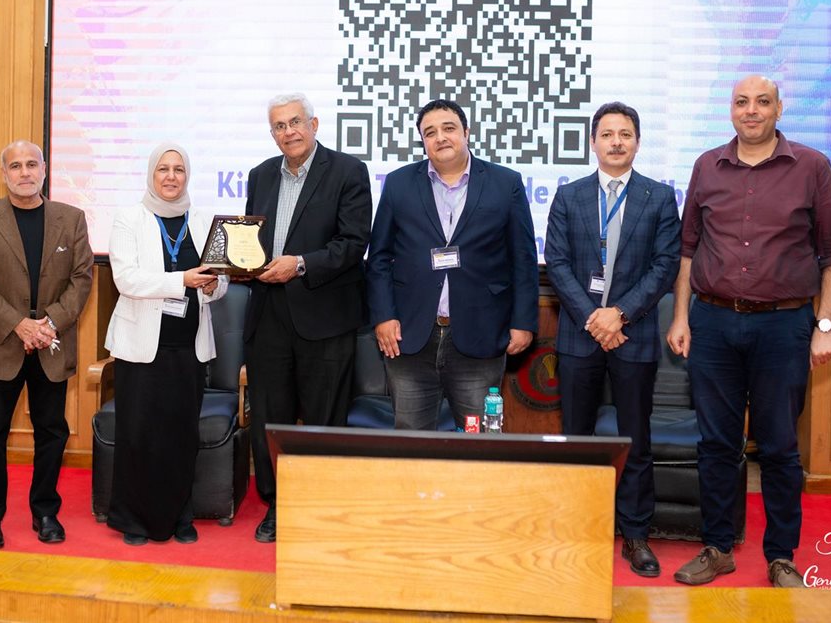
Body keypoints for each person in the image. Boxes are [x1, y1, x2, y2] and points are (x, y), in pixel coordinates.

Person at [666, 75, 831, 588]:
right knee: (716, 444)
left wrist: (825, 325)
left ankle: (781, 556)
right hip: (712, 322)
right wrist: (680, 316)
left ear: (779, 109)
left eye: (762, 102)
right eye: (742, 102)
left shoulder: (813, 166)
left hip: (783, 325)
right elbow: (688, 250)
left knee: (778, 447)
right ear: (731, 110)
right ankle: (717, 547)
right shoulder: (707, 166)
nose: (751, 111)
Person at [543, 101, 680, 578]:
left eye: (625, 134)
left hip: (633, 334)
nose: (616, 142)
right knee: (576, 439)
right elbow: (557, 262)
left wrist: (618, 315)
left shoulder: (659, 197)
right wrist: (593, 318)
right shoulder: (569, 196)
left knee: (634, 440)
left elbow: (665, 265)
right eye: (607, 134)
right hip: (580, 335)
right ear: (593, 142)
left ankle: (636, 534)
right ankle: (578, 529)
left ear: (637, 142)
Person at [243, 93, 372, 542]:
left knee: (324, 420)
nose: (289, 132)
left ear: (314, 125)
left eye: (296, 122)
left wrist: (298, 264)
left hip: (325, 316)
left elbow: (353, 244)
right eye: (279, 126)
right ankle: (277, 506)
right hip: (267, 315)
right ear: (272, 133)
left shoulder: (348, 172)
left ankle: (320, 509)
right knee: (269, 419)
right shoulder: (260, 175)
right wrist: (239, 264)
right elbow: (251, 243)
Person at [366, 99, 538, 430]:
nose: (440, 137)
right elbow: (379, 257)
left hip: (481, 332)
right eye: (430, 132)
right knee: (411, 440)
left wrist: (523, 322)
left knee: (480, 442)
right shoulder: (399, 183)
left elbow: (523, 259)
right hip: (409, 335)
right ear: (422, 141)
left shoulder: (506, 183)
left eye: (448, 128)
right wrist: (383, 316)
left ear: (466, 132)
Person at [0, 140, 93, 549]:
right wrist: (18, 324)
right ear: (4, 174)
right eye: (15, 166)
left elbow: (82, 278)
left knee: (52, 432)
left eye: (32, 164)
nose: (24, 172)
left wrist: (48, 323)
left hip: (51, 342)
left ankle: (45, 511)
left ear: (45, 169)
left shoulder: (71, 218)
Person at [104, 143, 228, 545]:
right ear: (151, 174)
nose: (171, 176)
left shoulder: (204, 220)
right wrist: (183, 280)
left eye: (179, 169)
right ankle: (134, 520)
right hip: (140, 348)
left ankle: (180, 517)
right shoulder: (129, 219)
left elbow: (221, 280)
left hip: (188, 348)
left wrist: (211, 286)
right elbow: (127, 279)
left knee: (181, 436)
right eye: (163, 169)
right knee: (138, 435)